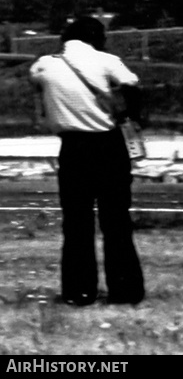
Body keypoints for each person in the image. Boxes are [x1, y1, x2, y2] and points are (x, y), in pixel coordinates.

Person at [29, 16, 145, 307]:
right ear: (98, 38)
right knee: (116, 221)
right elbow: (132, 84)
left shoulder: (44, 65)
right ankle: (124, 290)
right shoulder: (107, 60)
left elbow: (37, 85)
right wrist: (131, 116)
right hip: (108, 145)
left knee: (76, 222)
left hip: (73, 148)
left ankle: (79, 291)